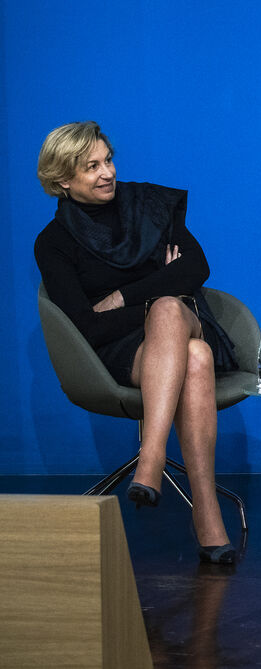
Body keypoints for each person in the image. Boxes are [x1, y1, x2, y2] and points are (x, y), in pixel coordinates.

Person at [34, 122, 238, 564]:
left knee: (169, 311)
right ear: (63, 180)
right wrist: (161, 283)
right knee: (195, 356)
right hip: (120, 350)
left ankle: (152, 456)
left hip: (186, 318)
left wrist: (126, 296)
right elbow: (87, 328)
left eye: (108, 160)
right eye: (92, 167)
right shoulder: (54, 243)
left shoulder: (150, 205)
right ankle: (207, 515)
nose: (107, 172)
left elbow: (196, 268)